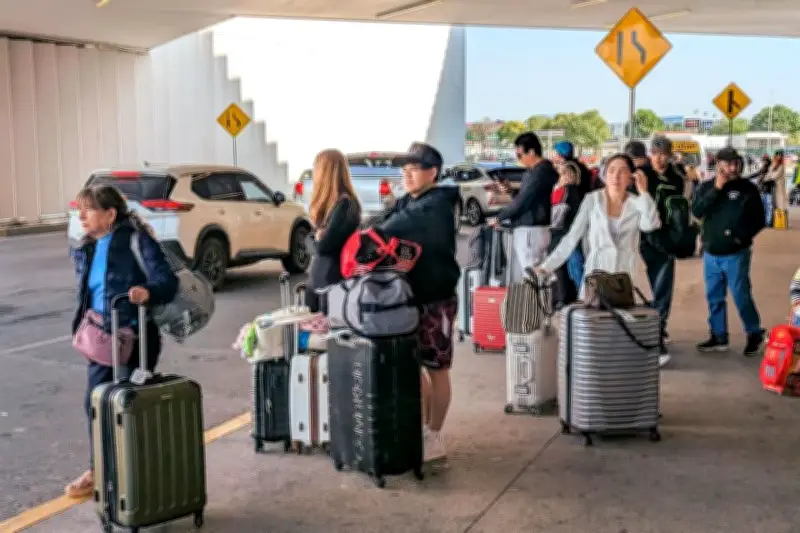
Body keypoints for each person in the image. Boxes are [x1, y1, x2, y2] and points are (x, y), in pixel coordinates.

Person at [66, 185, 178, 498]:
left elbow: (168, 282)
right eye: (79, 209)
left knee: (129, 406)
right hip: (101, 340)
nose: (81, 216)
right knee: (97, 403)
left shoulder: (136, 241)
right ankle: (100, 470)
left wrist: (148, 292)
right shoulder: (88, 247)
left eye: (89, 209)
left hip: (135, 339)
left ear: (110, 214)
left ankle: (137, 473)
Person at [372, 142, 460, 463]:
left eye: (413, 170)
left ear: (432, 173)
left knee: (437, 369)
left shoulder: (436, 204)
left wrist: (371, 231)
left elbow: (390, 227)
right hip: (408, 297)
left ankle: (435, 435)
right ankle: (421, 429)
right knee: (413, 366)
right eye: (404, 170)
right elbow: (379, 221)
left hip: (436, 298)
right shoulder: (408, 200)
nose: (406, 176)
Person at [534, 153, 667, 366]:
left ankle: (627, 369)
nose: (616, 176)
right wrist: (547, 267)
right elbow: (572, 237)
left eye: (622, 171)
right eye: (612, 170)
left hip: (628, 272)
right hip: (598, 272)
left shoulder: (637, 202)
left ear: (631, 177)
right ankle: (599, 371)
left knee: (628, 329)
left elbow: (650, 225)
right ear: (604, 174)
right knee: (598, 328)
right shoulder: (592, 200)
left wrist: (644, 193)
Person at [692, 147, 765, 356]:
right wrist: (716, 189)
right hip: (711, 253)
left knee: (741, 295)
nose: (733, 168)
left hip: (736, 254)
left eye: (736, 163)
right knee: (714, 297)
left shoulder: (748, 189)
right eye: (728, 164)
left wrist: (739, 238)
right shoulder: (706, 187)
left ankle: (754, 333)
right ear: (718, 164)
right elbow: (697, 211)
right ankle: (719, 335)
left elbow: (759, 220)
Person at [625, 138, 684, 364]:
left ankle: (657, 333)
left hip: (663, 239)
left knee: (662, 288)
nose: (659, 158)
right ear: (650, 153)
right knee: (626, 285)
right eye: (656, 153)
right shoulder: (640, 175)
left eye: (664, 154)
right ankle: (634, 333)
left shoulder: (676, 178)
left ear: (670, 155)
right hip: (637, 237)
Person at [488, 132, 558, 282]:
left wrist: (498, 218)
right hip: (537, 229)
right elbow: (527, 198)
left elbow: (522, 202)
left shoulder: (539, 173)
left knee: (532, 278)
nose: (518, 159)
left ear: (531, 152)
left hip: (530, 231)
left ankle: (535, 298)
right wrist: (511, 191)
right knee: (540, 276)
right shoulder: (542, 171)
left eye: (520, 155)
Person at [306, 149, 362, 313]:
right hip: (320, 279)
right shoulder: (333, 205)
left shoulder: (345, 206)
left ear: (326, 172)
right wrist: (316, 239)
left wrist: (316, 239)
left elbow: (323, 246)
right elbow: (311, 243)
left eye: (317, 167)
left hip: (332, 282)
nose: (314, 173)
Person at [549, 159, 583, 306]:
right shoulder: (579, 191)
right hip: (575, 233)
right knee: (576, 265)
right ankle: (580, 294)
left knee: (569, 266)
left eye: (562, 174)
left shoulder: (564, 190)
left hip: (564, 234)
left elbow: (553, 212)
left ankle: (571, 297)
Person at [761, 150, 787, 227]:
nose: (779, 157)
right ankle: (774, 221)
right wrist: (765, 178)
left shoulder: (781, 166)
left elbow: (774, 176)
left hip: (779, 188)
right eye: (777, 155)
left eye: (780, 156)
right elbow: (768, 174)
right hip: (772, 188)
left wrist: (766, 179)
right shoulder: (772, 165)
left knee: (780, 204)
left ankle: (780, 222)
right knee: (772, 204)